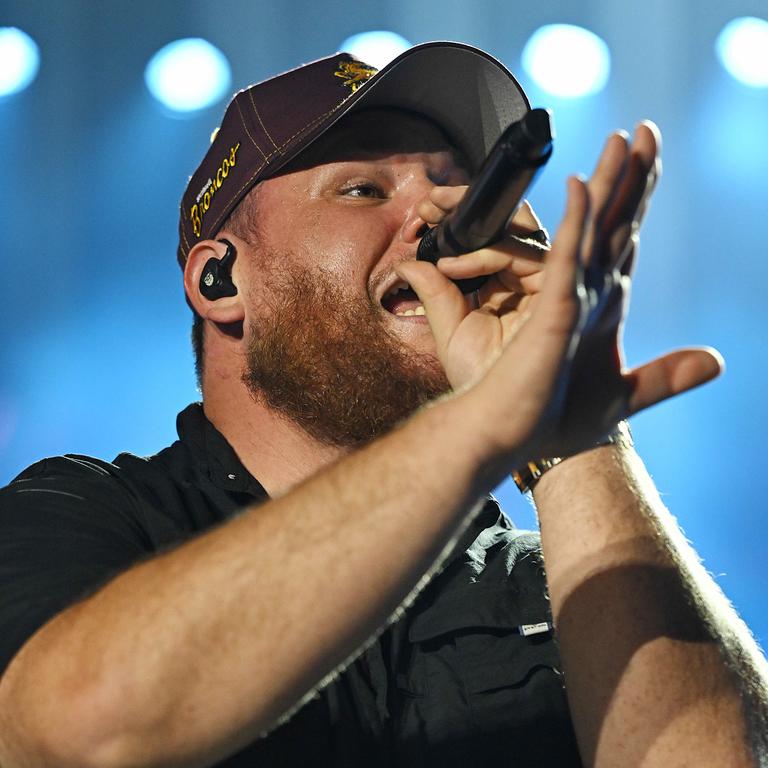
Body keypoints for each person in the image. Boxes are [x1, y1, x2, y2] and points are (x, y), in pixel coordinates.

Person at [0, 41, 765, 768]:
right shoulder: (88, 514)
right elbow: (74, 731)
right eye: (364, 189)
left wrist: (573, 432)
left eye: (453, 187)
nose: (438, 218)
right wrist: (481, 425)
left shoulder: (566, 581)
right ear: (221, 282)